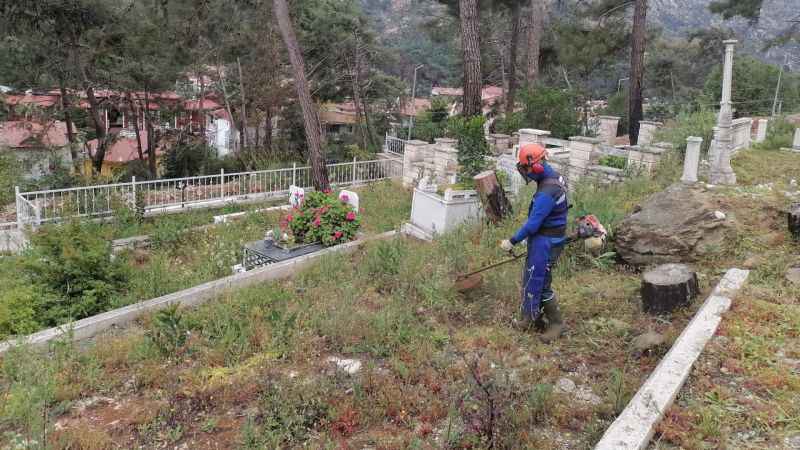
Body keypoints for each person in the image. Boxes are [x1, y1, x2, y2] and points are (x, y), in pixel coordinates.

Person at [500, 143, 569, 342]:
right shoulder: (552, 176)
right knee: (531, 278)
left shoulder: (548, 190)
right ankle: (529, 318)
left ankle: (557, 324)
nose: (527, 174)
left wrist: (512, 241)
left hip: (547, 241)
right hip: (544, 237)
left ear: (537, 165)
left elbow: (533, 224)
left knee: (542, 283)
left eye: (527, 169)